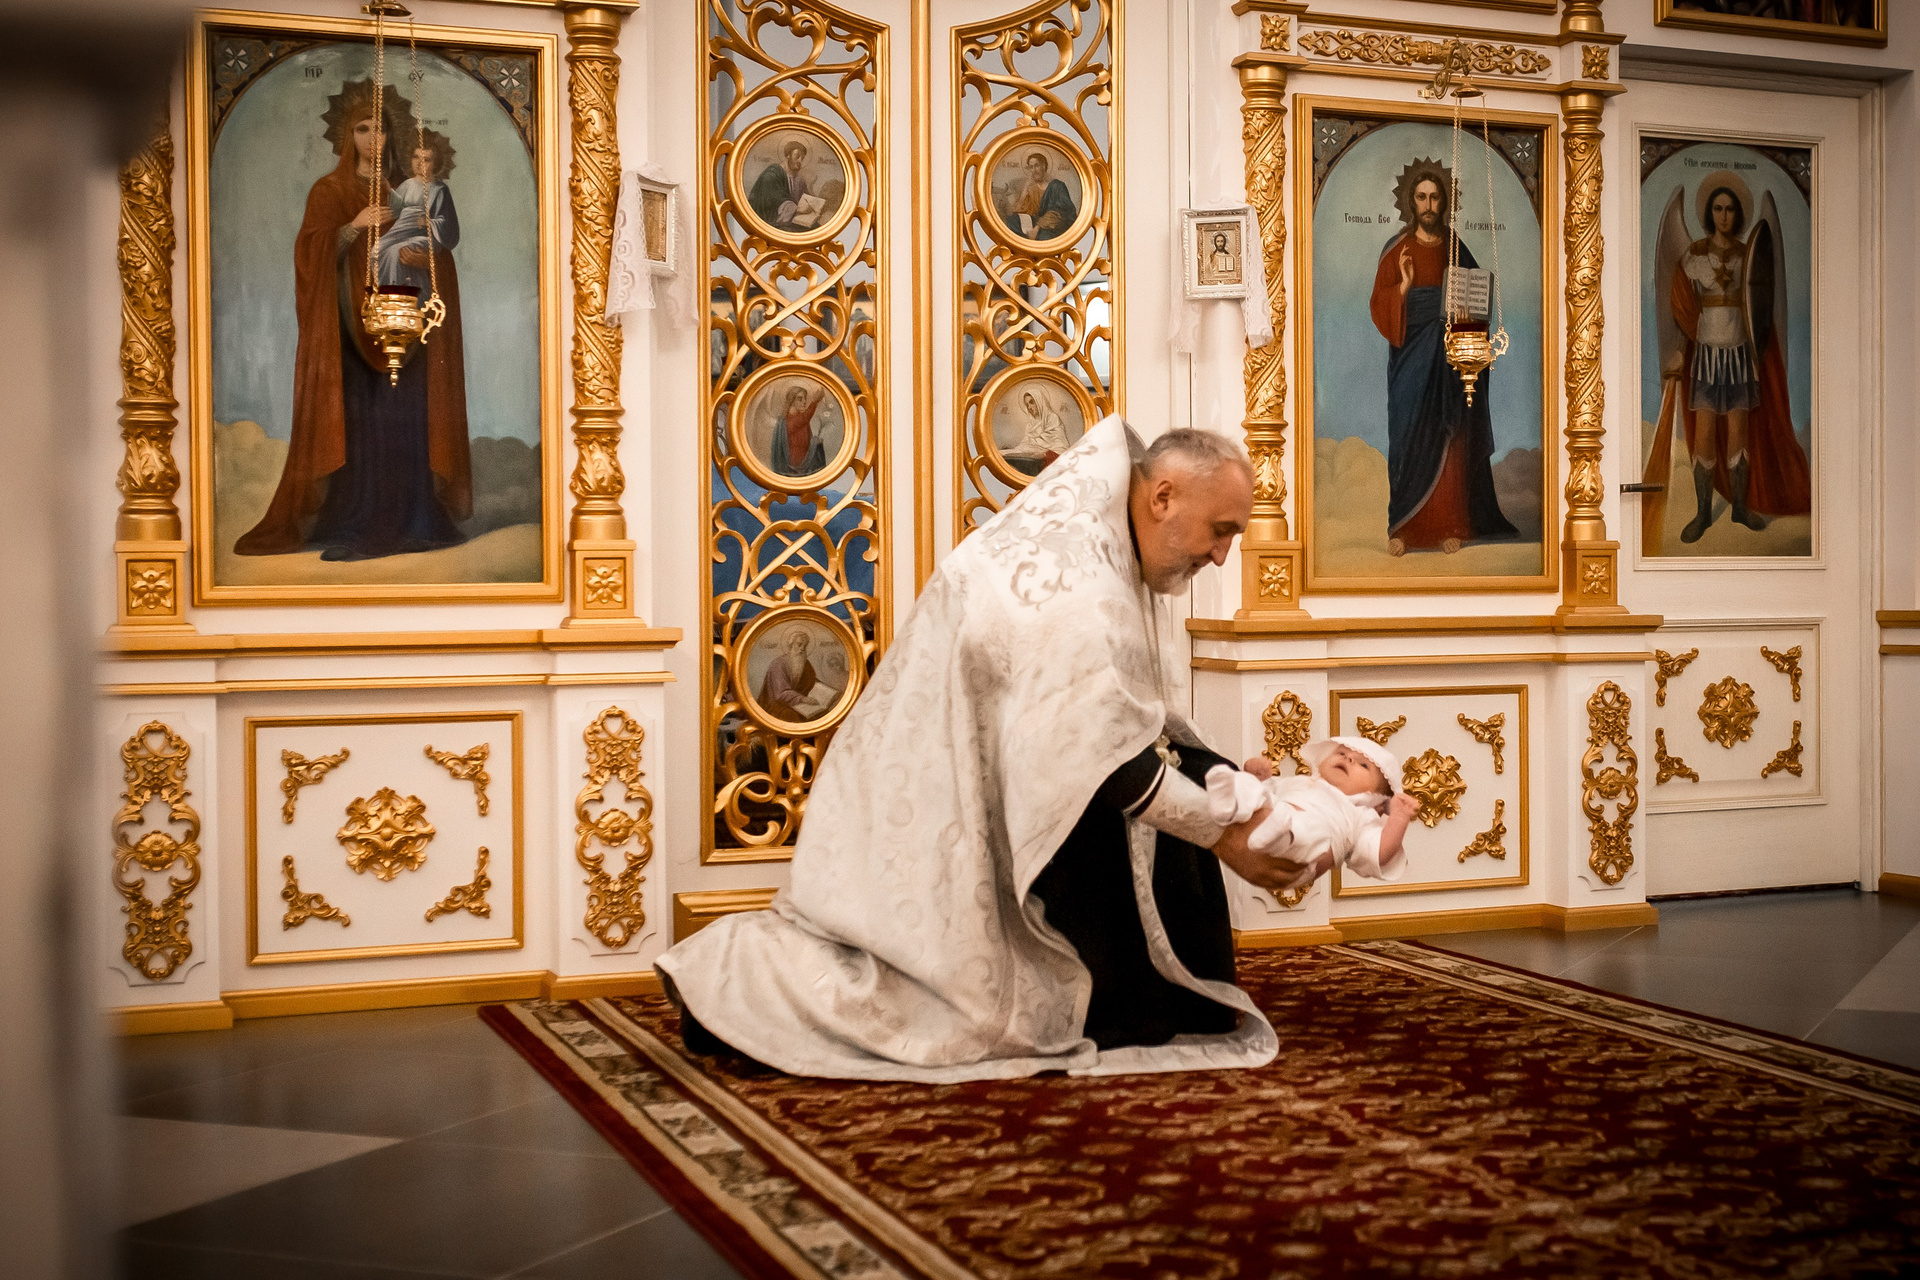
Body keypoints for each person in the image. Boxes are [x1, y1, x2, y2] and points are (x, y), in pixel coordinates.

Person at [657, 420, 1299, 1081]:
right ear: (1163, 497)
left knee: (1172, 830)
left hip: (1015, 773)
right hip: (945, 799)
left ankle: (1136, 1004)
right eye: (1220, 530)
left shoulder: (1111, 540)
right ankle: (729, 986)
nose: (1221, 556)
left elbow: (1130, 726)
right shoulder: (1072, 574)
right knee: (954, 1001)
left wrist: (1228, 783)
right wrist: (1223, 835)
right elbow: (1099, 753)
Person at [235, 77, 470, 561]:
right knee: (362, 419)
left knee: (406, 418)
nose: (372, 138)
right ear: (347, 136)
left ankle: (415, 520)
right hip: (351, 327)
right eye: (362, 128)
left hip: (408, 324)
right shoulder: (329, 190)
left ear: (391, 135)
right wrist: (350, 228)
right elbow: (309, 252)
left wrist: (423, 257)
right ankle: (354, 521)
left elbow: (439, 247)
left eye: (379, 128)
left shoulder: (410, 189)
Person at [1368, 160, 1516, 556]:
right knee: (1406, 436)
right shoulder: (1397, 249)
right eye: (1422, 197)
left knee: (1450, 436)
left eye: (1435, 198)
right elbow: (1380, 306)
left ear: (1444, 202)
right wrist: (1403, 287)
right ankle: (1403, 529)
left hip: (1449, 359)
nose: (1429, 205)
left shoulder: (1456, 248)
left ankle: (1451, 525)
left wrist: (1467, 317)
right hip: (1410, 362)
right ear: (1411, 202)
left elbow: (1477, 302)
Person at [1666, 174, 1811, 541]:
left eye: (1730, 209)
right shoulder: (1695, 255)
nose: (1724, 215)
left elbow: (1759, 308)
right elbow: (1684, 308)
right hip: (1706, 357)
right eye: (1718, 208)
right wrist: (1681, 352)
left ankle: (1741, 509)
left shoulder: (1749, 255)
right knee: (1704, 436)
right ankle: (1702, 513)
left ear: (1738, 214)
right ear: (1709, 213)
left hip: (1740, 356)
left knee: (1738, 436)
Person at [1206, 738, 1418, 887]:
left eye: (1363, 765)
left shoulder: (1362, 814)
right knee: (1250, 789)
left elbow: (1380, 853)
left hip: (1305, 858)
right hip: (1273, 818)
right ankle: (1226, 806)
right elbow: (1266, 794)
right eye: (1341, 753)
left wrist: (1399, 818)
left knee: (1313, 831)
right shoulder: (1300, 782)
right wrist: (1256, 776)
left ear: (1378, 796)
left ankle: (1280, 833)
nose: (1348, 759)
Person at [377, 129, 459, 296]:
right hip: (403, 231)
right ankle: (387, 293)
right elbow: (397, 209)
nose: (419, 163)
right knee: (378, 250)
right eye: (416, 157)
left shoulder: (439, 189)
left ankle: (399, 293)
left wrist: (428, 222)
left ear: (435, 163)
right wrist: (389, 191)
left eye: (426, 160)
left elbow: (446, 223)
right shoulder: (407, 184)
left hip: (425, 237)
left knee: (396, 252)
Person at [757, 626, 840, 723]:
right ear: (791, 645)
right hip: (778, 704)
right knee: (791, 716)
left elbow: (812, 682)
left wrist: (830, 694)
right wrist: (803, 699)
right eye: (799, 644)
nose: (801, 649)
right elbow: (781, 693)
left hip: (802, 704)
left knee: (825, 715)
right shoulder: (778, 664)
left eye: (805, 646)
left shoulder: (805, 663)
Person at [1007, 150, 1077, 242]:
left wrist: (1037, 228)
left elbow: (1061, 212)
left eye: (1037, 166)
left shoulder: (1056, 186)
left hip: (1053, 224)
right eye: (1031, 167)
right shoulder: (1031, 189)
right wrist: (1025, 191)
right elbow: (1018, 211)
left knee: (1044, 237)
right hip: (1037, 222)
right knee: (1011, 221)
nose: (1034, 170)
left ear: (1044, 166)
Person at [749, 139, 818, 231]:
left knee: (817, 228)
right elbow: (775, 201)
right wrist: (797, 209)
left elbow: (807, 199)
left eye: (802, 158)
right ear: (788, 155)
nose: (800, 161)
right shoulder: (771, 175)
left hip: (794, 221)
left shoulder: (799, 180)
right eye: (797, 157)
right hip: (770, 225)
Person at [1003, 386, 1073, 474]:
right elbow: (1026, 444)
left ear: (1039, 401)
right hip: (1032, 458)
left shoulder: (1052, 418)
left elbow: (1060, 446)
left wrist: (1044, 453)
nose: (1029, 407)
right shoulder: (1031, 423)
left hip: (1049, 460)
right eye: (1027, 405)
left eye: (1032, 402)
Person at [769, 384, 827, 478]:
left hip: (804, 459)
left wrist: (815, 443)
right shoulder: (789, 420)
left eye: (805, 398)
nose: (804, 402)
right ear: (791, 401)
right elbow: (805, 418)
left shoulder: (798, 418)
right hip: (796, 463)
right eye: (800, 399)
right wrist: (814, 401)